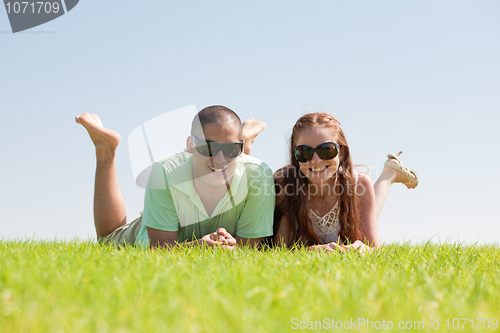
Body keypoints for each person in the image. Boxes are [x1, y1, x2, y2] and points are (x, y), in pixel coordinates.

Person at [75, 105, 273, 249]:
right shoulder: (165, 171)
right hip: (156, 228)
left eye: (231, 148)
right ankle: (105, 149)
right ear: (190, 145)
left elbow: (248, 250)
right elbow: (159, 247)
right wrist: (198, 247)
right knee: (107, 241)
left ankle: (241, 141)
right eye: (208, 147)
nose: (220, 157)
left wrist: (230, 247)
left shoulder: (258, 174)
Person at [273, 112, 418, 253]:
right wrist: (311, 250)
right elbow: (278, 251)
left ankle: (389, 175)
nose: (316, 160)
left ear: (341, 153)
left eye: (326, 150)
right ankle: (390, 171)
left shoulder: (360, 184)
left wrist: (364, 249)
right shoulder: (285, 184)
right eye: (304, 152)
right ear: (295, 155)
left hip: (353, 190)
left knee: (362, 203)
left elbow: (374, 248)